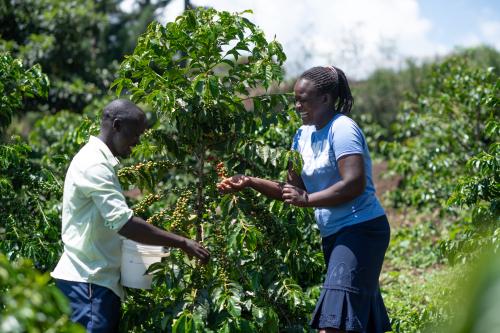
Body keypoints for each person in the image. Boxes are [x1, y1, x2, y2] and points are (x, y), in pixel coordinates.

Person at [218, 66, 391, 333]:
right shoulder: (302, 135)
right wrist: (251, 182)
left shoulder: (342, 128)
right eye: (295, 100)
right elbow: (292, 190)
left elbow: (354, 183)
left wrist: (308, 199)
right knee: (355, 323)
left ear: (325, 98)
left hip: (361, 230)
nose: (298, 106)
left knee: (331, 326)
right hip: (333, 234)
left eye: (303, 100)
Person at [51, 99, 210, 332]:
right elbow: (124, 223)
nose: (137, 142)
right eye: (134, 134)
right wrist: (182, 242)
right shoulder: (94, 165)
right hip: (88, 284)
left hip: (94, 282)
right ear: (116, 125)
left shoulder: (100, 161)